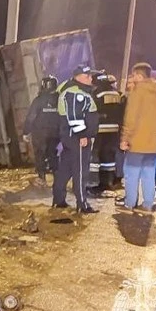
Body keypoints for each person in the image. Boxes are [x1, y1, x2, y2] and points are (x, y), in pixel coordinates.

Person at [120, 63, 156, 211]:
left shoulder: (138, 91)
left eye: (134, 75)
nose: (133, 77)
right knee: (149, 173)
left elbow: (131, 117)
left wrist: (125, 138)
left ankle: (130, 203)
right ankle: (148, 204)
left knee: (131, 173)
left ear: (140, 75)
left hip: (136, 140)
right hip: (153, 142)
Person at [52, 65, 99, 213]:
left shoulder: (74, 91)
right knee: (80, 171)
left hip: (71, 137)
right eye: (87, 76)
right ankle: (82, 204)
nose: (91, 79)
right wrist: (83, 135)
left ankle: (58, 200)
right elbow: (75, 117)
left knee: (65, 169)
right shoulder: (75, 93)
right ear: (78, 77)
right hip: (77, 138)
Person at [89, 72, 125, 193]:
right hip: (114, 130)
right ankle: (107, 182)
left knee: (95, 156)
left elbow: (91, 111)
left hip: (100, 129)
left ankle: (93, 182)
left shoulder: (96, 94)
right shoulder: (119, 94)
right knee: (109, 157)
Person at [22, 76, 60, 183]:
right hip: (56, 134)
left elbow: (30, 117)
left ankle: (41, 178)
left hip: (40, 134)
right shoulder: (60, 99)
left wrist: (26, 132)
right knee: (53, 154)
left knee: (40, 155)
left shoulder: (38, 101)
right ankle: (58, 178)